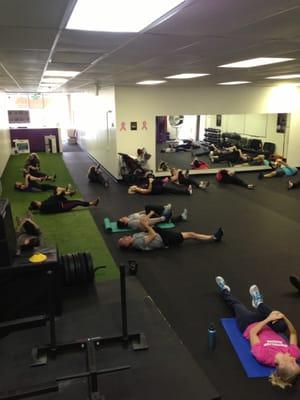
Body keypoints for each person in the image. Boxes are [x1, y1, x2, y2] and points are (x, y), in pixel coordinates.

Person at [215, 276, 300, 389]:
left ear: (283, 365)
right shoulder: (293, 354)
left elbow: (253, 334)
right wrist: (284, 317)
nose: (296, 360)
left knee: (236, 305)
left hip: (249, 324)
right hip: (266, 324)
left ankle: (224, 289)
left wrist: (268, 319)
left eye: (293, 363)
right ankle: (259, 303)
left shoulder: (263, 356)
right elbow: (293, 333)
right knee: (282, 325)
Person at [118, 215, 223, 251]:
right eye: (124, 240)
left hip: (160, 233)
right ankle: (213, 237)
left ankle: (165, 217)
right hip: (164, 239)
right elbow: (152, 235)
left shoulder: (134, 236)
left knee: (144, 223)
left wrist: (145, 222)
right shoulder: (137, 244)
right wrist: (146, 225)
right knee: (191, 234)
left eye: (123, 237)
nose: (125, 237)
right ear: (127, 245)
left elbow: (148, 232)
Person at [117, 203, 188, 231]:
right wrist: (160, 218)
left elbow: (139, 213)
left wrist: (146, 211)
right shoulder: (132, 223)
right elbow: (146, 222)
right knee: (166, 213)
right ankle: (166, 211)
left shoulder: (129, 217)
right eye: (122, 219)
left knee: (147, 207)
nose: (122, 217)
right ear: (125, 223)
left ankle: (180, 217)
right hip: (152, 219)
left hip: (150, 216)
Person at [29, 189, 100, 214]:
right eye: (37, 201)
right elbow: (53, 202)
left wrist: (57, 194)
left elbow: (50, 199)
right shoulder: (43, 207)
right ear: (37, 204)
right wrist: (57, 195)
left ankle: (70, 193)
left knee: (57, 192)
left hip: (61, 203)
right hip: (63, 206)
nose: (38, 201)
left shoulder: (42, 204)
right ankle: (93, 203)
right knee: (77, 202)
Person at [128, 177, 193, 196]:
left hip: (155, 188)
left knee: (153, 181)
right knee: (172, 190)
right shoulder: (139, 190)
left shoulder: (138, 187)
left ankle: (162, 181)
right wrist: (150, 183)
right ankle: (187, 192)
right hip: (156, 190)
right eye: (132, 187)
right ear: (133, 189)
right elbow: (148, 190)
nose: (133, 186)